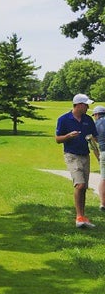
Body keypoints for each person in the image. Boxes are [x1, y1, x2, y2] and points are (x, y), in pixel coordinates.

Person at [55, 93, 98, 228]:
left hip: (85, 155)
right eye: (86, 105)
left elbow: (93, 138)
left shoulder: (88, 120)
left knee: (84, 187)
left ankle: (83, 217)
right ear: (78, 105)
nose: (87, 107)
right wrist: (68, 136)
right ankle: (79, 217)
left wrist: (98, 154)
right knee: (79, 185)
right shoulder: (64, 119)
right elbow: (57, 139)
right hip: (71, 155)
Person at [93, 105, 105, 211]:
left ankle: (103, 203)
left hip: (103, 151)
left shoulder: (95, 124)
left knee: (103, 178)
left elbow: (94, 140)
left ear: (96, 114)